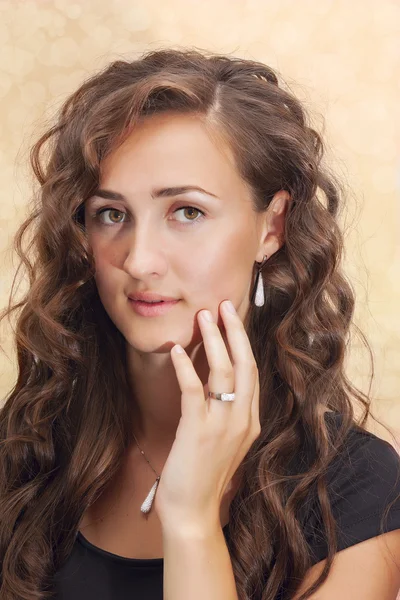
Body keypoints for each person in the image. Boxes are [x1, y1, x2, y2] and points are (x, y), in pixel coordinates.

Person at [0, 47, 400, 600]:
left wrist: (190, 519)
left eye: (187, 212)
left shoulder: (356, 490)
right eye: (110, 214)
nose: (139, 261)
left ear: (271, 227)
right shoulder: (26, 448)